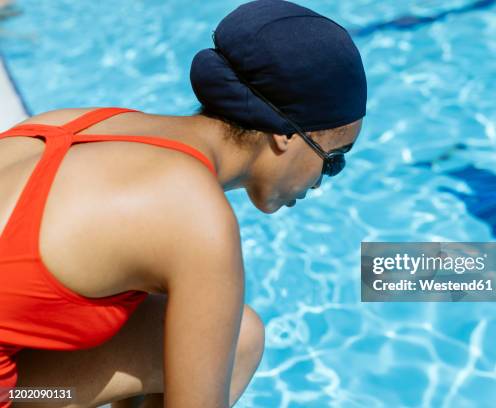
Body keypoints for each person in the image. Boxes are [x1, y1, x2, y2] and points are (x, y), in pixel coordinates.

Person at [0, 0, 366, 406]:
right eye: (334, 159)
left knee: (221, 335)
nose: (320, 183)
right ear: (286, 133)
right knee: (240, 342)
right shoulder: (194, 216)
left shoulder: (74, 122)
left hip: (21, 378)